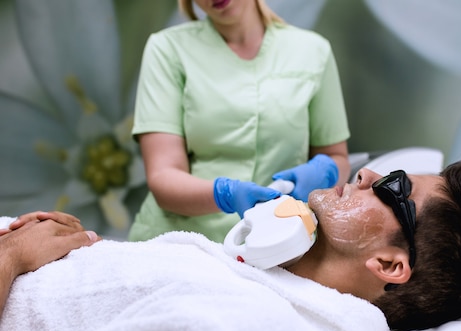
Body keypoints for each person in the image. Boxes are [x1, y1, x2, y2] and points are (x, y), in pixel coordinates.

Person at [0, 160, 461, 331]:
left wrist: (12, 258)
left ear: (389, 264)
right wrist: (73, 251)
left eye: (396, 187)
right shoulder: (261, 286)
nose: (370, 171)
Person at [128, 0, 351, 243]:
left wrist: (325, 172)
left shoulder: (313, 50)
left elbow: (337, 157)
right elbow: (164, 176)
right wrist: (224, 195)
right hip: (182, 244)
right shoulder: (167, 49)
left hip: (279, 242)